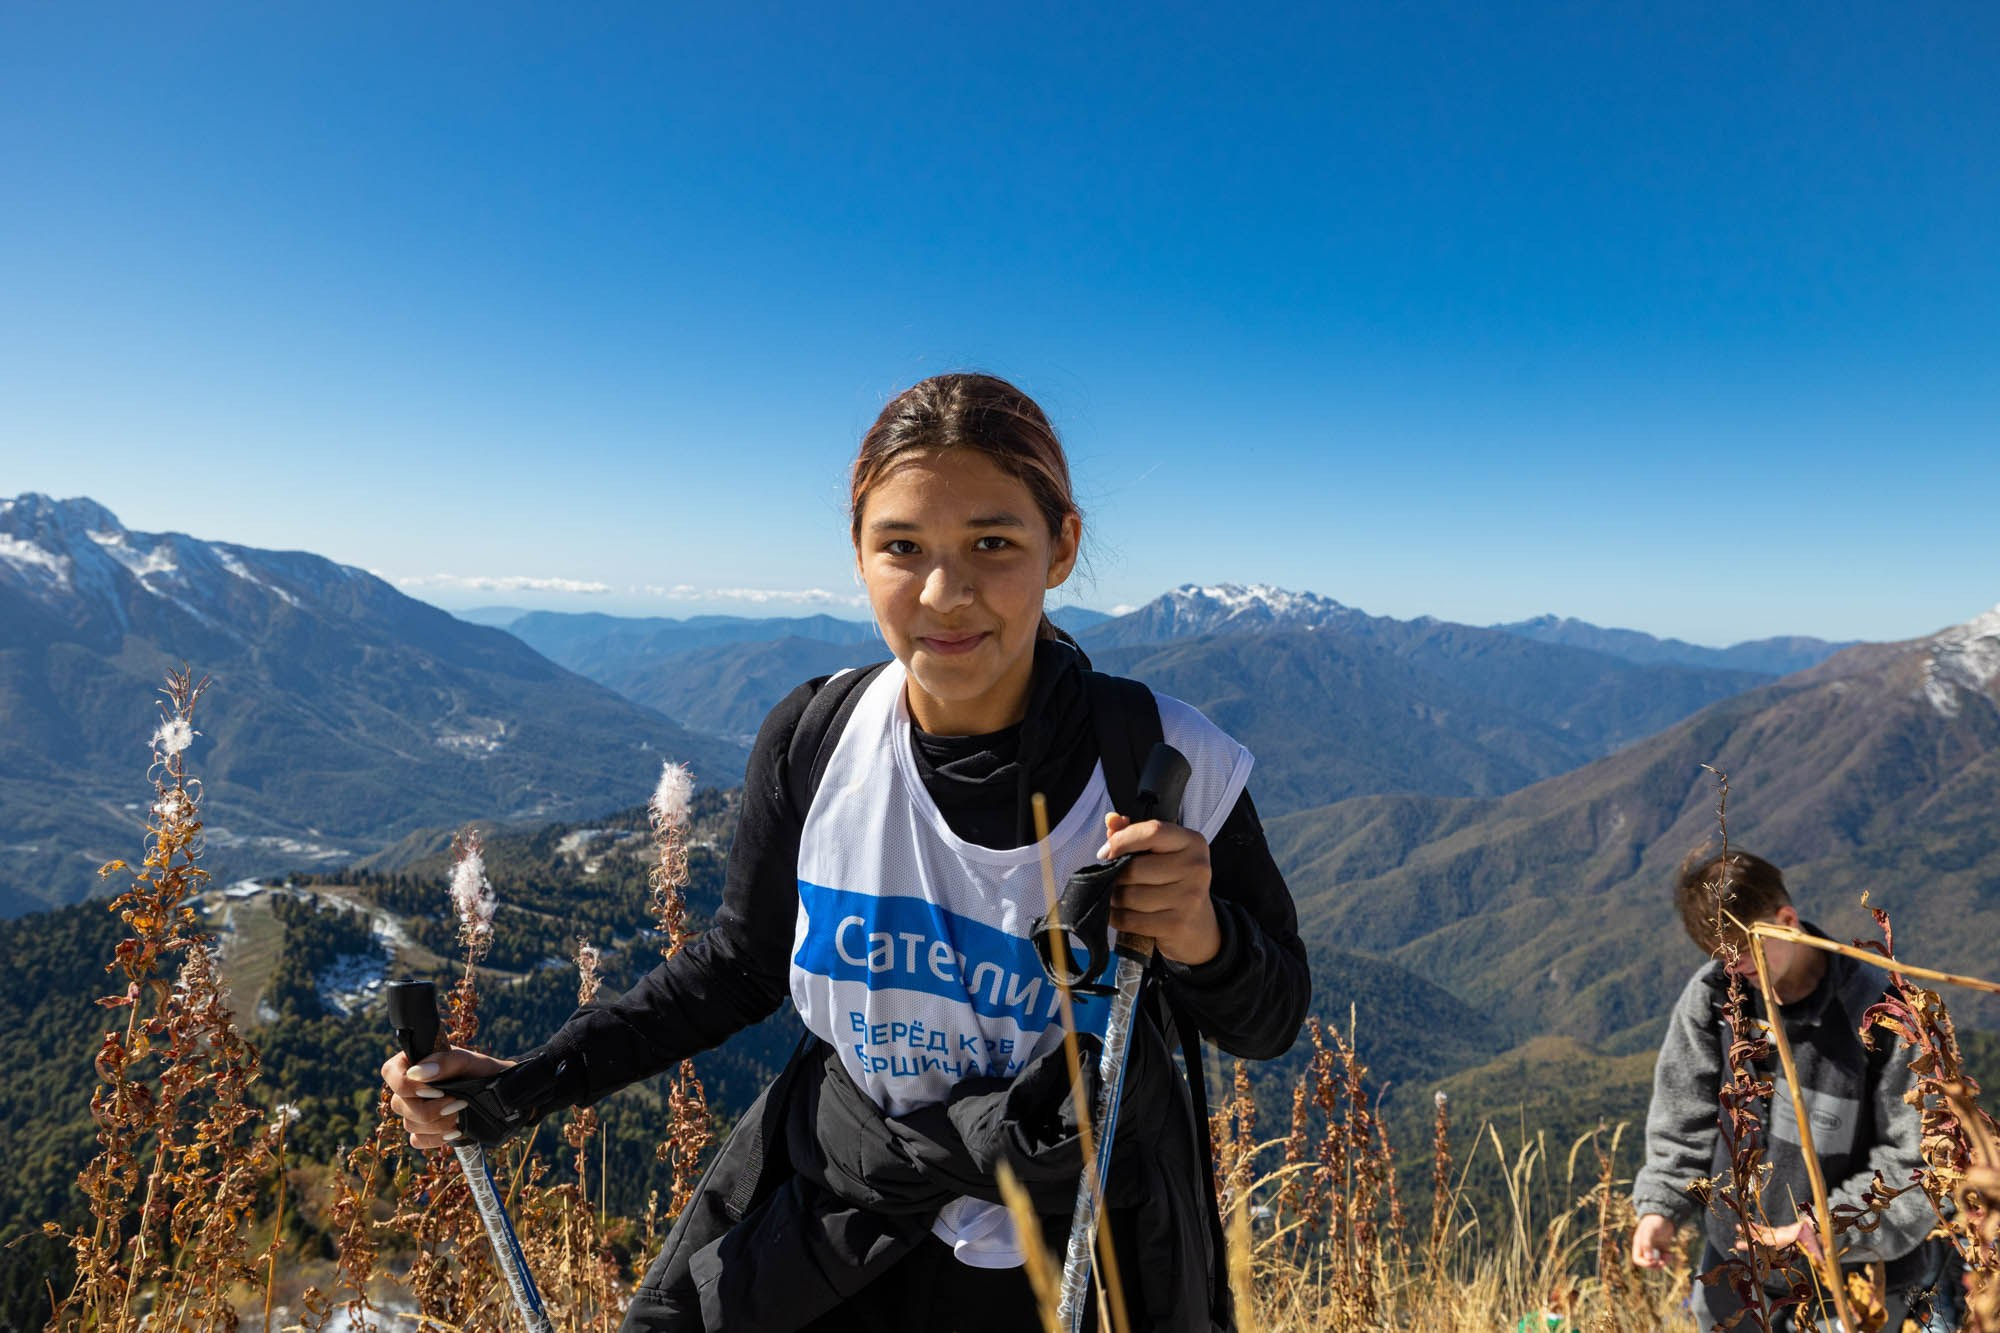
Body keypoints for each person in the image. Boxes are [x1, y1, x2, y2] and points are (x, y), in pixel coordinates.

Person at [381, 372, 1313, 1332]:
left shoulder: (1166, 760)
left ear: (1061, 546)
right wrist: (530, 1082)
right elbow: (738, 965)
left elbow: (1271, 1013)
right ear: (859, 556)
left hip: (1079, 1250)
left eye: (993, 543)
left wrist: (1200, 934)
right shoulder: (816, 737)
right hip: (839, 1220)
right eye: (902, 547)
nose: (944, 594)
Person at [1629, 849, 1952, 1330]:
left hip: (1853, 1288)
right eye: (1723, 960)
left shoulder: (1884, 1012)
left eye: (1747, 956)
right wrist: (1660, 1208)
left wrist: (1826, 1227)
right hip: (1736, 1282)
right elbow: (1685, 1116)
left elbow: (1918, 1161)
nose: (1737, 972)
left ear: (1787, 920)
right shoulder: (1717, 994)